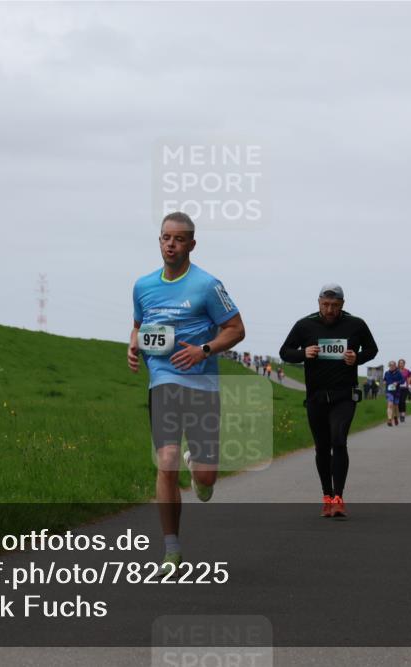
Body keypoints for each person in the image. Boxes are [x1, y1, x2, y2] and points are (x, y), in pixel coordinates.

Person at [128, 212, 245, 574]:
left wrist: (204, 350)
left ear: (192, 244)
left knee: (207, 480)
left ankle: (200, 469)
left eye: (179, 239)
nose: (171, 244)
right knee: (165, 461)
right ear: (159, 241)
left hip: (202, 385)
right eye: (165, 238)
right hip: (163, 381)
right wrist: (132, 347)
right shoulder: (143, 286)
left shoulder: (207, 285)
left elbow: (236, 329)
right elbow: (138, 326)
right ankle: (171, 549)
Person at [279, 284, 378, 518]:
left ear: (342, 304)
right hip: (315, 396)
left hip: (344, 395)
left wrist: (357, 357)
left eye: (334, 305)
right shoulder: (305, 325)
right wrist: (303, 353)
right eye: (325, 305)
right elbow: (285, 351)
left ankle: (338, 498)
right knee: (322, 447)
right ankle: (326, 495)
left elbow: (372, 349)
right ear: (319, 302)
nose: (330, 310)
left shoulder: (356, 324)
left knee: (338, 441)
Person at [383, 361, 403, 427]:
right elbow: (384, 379)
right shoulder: (386, 373)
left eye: (393, 365)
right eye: (390, 365)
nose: (391, 367)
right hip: (389, 392)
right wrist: (384, 382)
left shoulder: (398, 373)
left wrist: (397, 382)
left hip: (396, 392)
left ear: (395, 366)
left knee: (395, 406)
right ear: (389, 366)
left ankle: (395, 417)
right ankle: (389, 420)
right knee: (390, 405)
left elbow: (402, 380)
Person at [397, 358, 410, 423]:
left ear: (404, 364)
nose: (401, 364)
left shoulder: (407, 371)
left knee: (403, 401)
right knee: (398, 402)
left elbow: (408, 378)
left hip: (404, 388)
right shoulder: (396, 370)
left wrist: (408, 384)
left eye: (402, 363)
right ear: (398, 364)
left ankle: (403, 415)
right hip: (397, 388)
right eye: (400, 363)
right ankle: (400, 414)